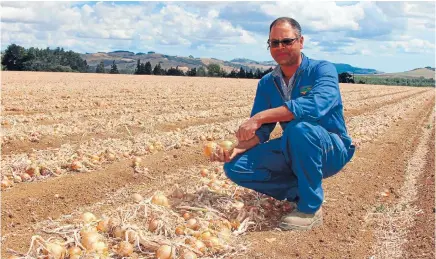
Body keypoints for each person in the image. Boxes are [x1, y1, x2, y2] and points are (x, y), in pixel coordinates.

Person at [210, 17, 355, 231]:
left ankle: (310, 208)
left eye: (286, 41)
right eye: (274, 43)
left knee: (300, 128)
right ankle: (302, 191)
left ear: (301, 41)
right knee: (235, 167)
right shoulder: (268, 83)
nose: (280, 47)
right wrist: (237, 148)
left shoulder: (322, 70)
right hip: (294, 146)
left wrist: (259, 117)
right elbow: (262, 132)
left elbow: (315, 105)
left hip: (332, 149)